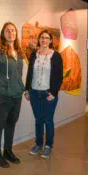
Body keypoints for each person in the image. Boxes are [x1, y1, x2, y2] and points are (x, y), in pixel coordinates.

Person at [0, 22, 24, 168]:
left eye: (13, 31)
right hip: (2, 95)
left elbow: (19, 74)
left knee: (11, 123)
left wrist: (21, 88)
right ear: (3, 34)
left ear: (16, 33)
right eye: (8, 31)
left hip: (16, 95)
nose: (11, 33)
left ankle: (8, 151)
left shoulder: (19, 52)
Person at [24, 30, 63, 159]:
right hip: (34, 92)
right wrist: (27, 89)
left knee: (48, 120)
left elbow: (59, 76)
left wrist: (54, 92)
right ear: (39, 39)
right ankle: (38, 144)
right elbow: (30, 73)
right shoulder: (33, 55)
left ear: (50, 40)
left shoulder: (56, 56)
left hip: (48, 94)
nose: (44, 40)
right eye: (42, 37)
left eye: (47, 38)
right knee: (38, 120)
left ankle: (48, 146)